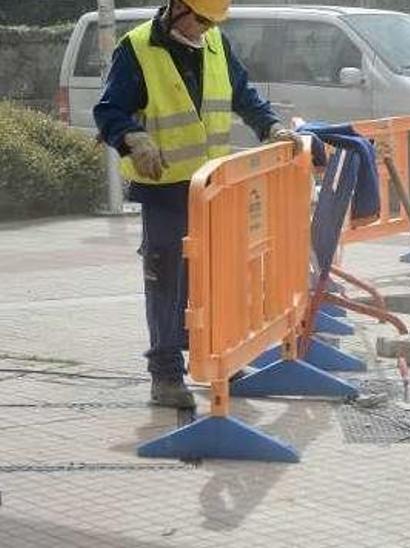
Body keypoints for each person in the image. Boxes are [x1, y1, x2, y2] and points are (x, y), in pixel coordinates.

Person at [94, 0, 303, 408]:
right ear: (176, 8)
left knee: (215, 277)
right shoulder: (136, 48)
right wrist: (133, 138)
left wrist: (271, 126)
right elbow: (109, 110)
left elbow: (243, 95)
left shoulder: (214, 43)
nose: (205, 29)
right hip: (166, 190)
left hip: (213, 189)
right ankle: (166, 375)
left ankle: (218, 358)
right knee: (166, 280)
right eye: (201, 20)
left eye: (212, 22)